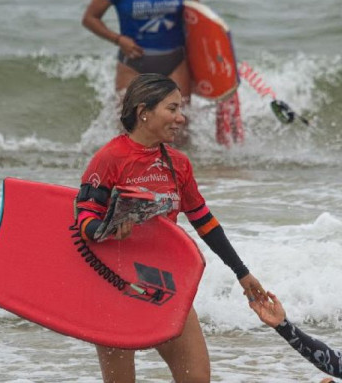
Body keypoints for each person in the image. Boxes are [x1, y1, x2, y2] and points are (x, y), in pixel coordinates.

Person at [74, 73, 266, 383]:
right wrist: (108, 228)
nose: (181, 117)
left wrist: (241, 272)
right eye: (172, 108)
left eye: (181, 109)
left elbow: (204, 222)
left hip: (162, 282)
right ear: (143, 112)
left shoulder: (178, 163)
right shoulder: (109, 159)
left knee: (196, 378)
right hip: (113, 281)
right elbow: (83, 220)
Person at [81, 0, 193, 99]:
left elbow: (198, 18)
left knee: (180, 119)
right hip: (133, 63)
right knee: (128, 119)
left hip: (175, 62)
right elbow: (90, 18)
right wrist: (118, 39)